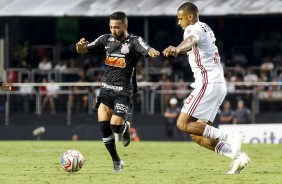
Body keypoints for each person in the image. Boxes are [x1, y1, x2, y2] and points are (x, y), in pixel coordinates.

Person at [162, 2, 250, 174]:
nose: (179, 23)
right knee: (198, 135)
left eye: (180, 19)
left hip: (207, 82)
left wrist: (177, 47)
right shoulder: (206, 28)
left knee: (182, 123)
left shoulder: (193, 28)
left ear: (190, 16)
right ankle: (238, 157)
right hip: (217, 84)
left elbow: (191, 40)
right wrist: (179, 50)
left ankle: (232, 137)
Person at [76, 11, 160, 173]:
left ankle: (125, 127)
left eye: (117, 27)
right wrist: (79, 47)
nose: (114, 30)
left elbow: (146, 48)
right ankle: (116, 161)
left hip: (123, 91)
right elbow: (84, 49)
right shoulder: (105, 39)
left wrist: (152, 52)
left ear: (125, 26)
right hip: (106, 89)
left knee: (115, 126)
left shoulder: (134, 41)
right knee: (103, 127)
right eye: (111, 27)